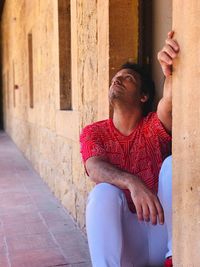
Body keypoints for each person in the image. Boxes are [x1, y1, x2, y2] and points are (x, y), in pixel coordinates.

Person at [80, 31, 179, 267]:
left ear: (143, 96)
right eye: (116, 77)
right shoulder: (94, 132)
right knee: (102, 193)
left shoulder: (152, 126)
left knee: (172, 164)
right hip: (126, 248)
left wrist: (171, 73)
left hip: (160, 235)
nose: (117, 79)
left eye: (127, 78)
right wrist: (133, 183)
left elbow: (169, 104)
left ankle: (175, 258)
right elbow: (94, 167)